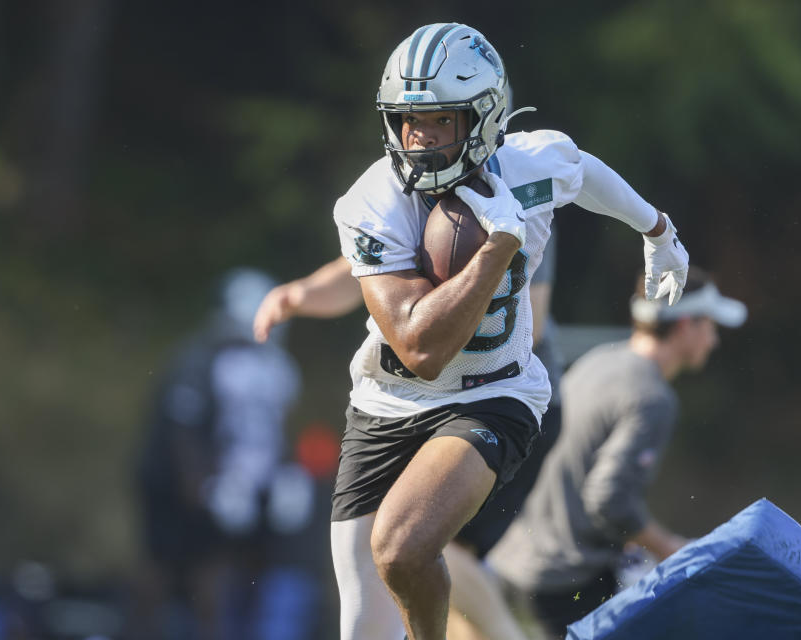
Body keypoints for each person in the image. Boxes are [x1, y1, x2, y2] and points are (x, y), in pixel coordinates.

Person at [324, 22, 689, 640]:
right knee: (360, 618)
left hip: (496, 394)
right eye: (407, 122)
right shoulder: (371, 204)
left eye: (439, 121)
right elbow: (421, 351)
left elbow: (582, 170)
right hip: (390, 399)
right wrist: (499, 247)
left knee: (402, 548)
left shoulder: (532, 162)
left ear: (484, 116)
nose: (418, 140)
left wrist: (658, 231)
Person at [253, 227, 565, 640]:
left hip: (502, 401)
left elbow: (534, 321)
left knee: (416, 543)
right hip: (421, 405)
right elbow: (365, 267)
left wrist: (438, 327)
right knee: (429, 568)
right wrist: (302, 294)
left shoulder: (522, 184)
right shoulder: (402, 184)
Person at [489, 266, 746, 639]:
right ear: (686, 323)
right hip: (562, 579)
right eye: (710, 326)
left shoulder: (599, 359)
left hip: (512, 559)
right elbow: (608, 501)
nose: (714, 340)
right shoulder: (652, 397)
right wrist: (672, 548)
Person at [135, 267, 317, 640]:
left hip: (242, 491)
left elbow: (274, 432)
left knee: (243, 570)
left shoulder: (276, 368)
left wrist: (287, 476)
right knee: (174, 570)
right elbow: (180, 434)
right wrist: (205, 486)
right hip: (179, 489)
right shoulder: (198, 360)